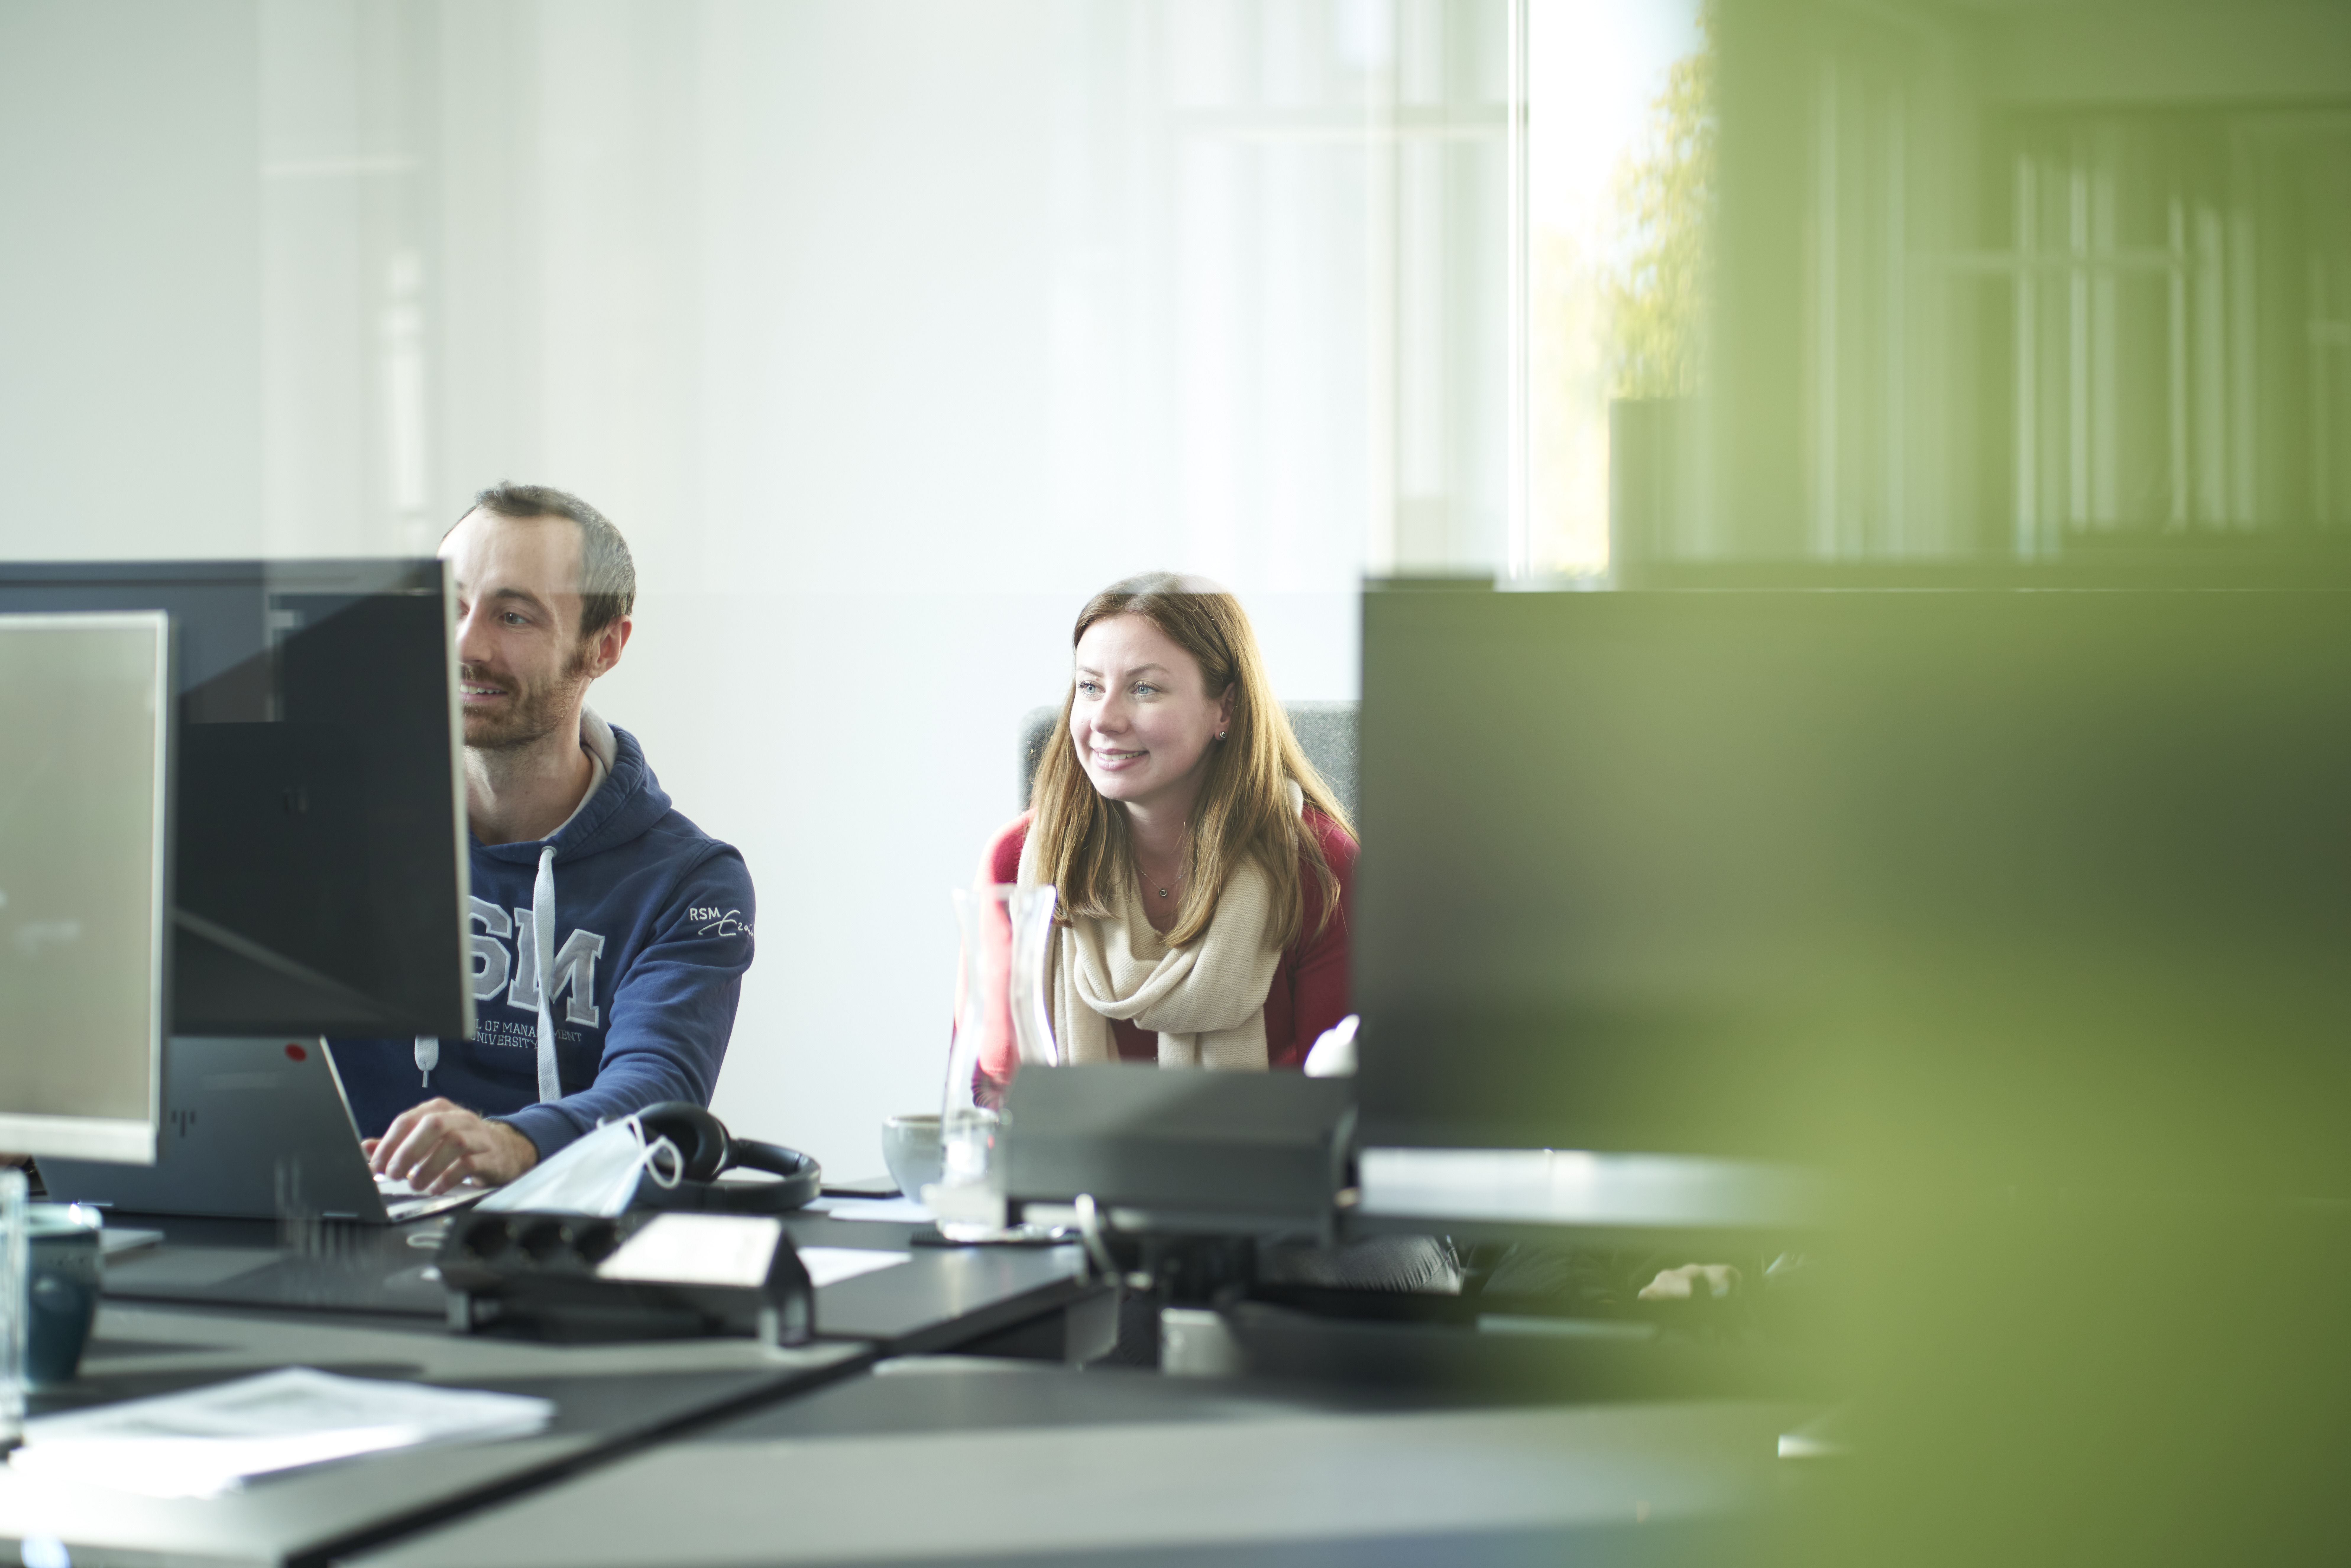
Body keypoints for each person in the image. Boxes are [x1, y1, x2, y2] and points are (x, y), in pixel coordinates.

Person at [328, 483, 756, 1194]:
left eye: (514, 616)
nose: (467, 645)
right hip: (324, 1232)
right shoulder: (332, 827)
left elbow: (658, 1090)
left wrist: (511, 1142)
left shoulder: (690, 881)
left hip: (554, 1250)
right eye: (450, 606)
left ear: (605, 646)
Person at [975, 572, 1354, 1091]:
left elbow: (1346, 1108)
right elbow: (990, 1097)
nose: (1104, 720)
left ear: (1225, 707)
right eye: (1090, 687)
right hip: (1064, 1173)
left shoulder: (1323, 867)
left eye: (1144, 689)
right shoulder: (1015, 862)